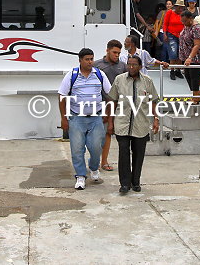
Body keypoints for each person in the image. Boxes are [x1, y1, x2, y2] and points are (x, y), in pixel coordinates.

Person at [58, 48, 112, 190]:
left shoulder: (99, 75)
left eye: (91, 59)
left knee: (96, 147)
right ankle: (80, 176)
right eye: (87, 59)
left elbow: (111, 94)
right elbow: (62, 96)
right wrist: (64, 118)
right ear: (80, 60)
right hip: (76, 118)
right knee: (77, 149)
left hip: (96, 118)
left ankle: (94, 168)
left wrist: (108, 112)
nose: (90, 62)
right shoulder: (72, 75)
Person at [107, 55, 160, 194]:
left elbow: (153, 101)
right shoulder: (119, 80)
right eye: (129, 64)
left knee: (139, 154)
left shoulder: (147, 81)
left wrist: (156, 119)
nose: (131, 67)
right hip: (122, 123)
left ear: (140, 66)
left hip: (141, 124)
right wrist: (110, 122)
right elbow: (112, 101)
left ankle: (135, 181)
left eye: (134, 65)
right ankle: (124, 184)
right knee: (123, 153)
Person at [93, 40, 127, 172]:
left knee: (108, 133)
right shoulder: (97, 65)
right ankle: (95, 161)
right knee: (96, 134)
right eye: (114, 52)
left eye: (119, 53)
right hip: (99, 105)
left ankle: (104, 161)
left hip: (117, 105)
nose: (117, 55)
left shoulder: (122, 66)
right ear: (107, 50)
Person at [179, 11, 200, 104]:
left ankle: (196, 98)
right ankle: (196, 95)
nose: (184, 23)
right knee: (188, 75)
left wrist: (190, 57)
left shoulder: (196, 28)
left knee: (194, 76)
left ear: (190, 19)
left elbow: (197, 44)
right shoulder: (187, 27)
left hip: (197, 57)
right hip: (186, 56)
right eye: (182, 21)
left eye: (185, 21)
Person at [163, 0, 186, 80]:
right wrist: (165, 34)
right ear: (175, 7)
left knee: (180, 54)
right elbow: (165, 24)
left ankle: (178, 70)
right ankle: (172, 70)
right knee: (173, 54)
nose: (180, 9)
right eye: (179, 7)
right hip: (171, 35)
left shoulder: (183, 14)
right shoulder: (170, 12)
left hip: (181, 36)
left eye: (181, 8)